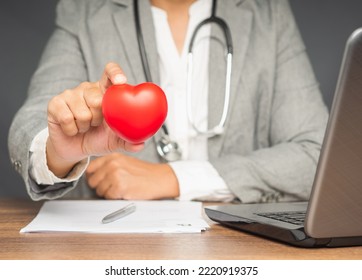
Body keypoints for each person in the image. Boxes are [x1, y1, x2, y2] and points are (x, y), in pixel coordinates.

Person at [8, 0, 328, 203]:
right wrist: (58, 151)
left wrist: (174, 178)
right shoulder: (86, 12)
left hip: (236, 250)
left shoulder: (268, 13)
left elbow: (318, 154)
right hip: (120, 251)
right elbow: (31, 123)